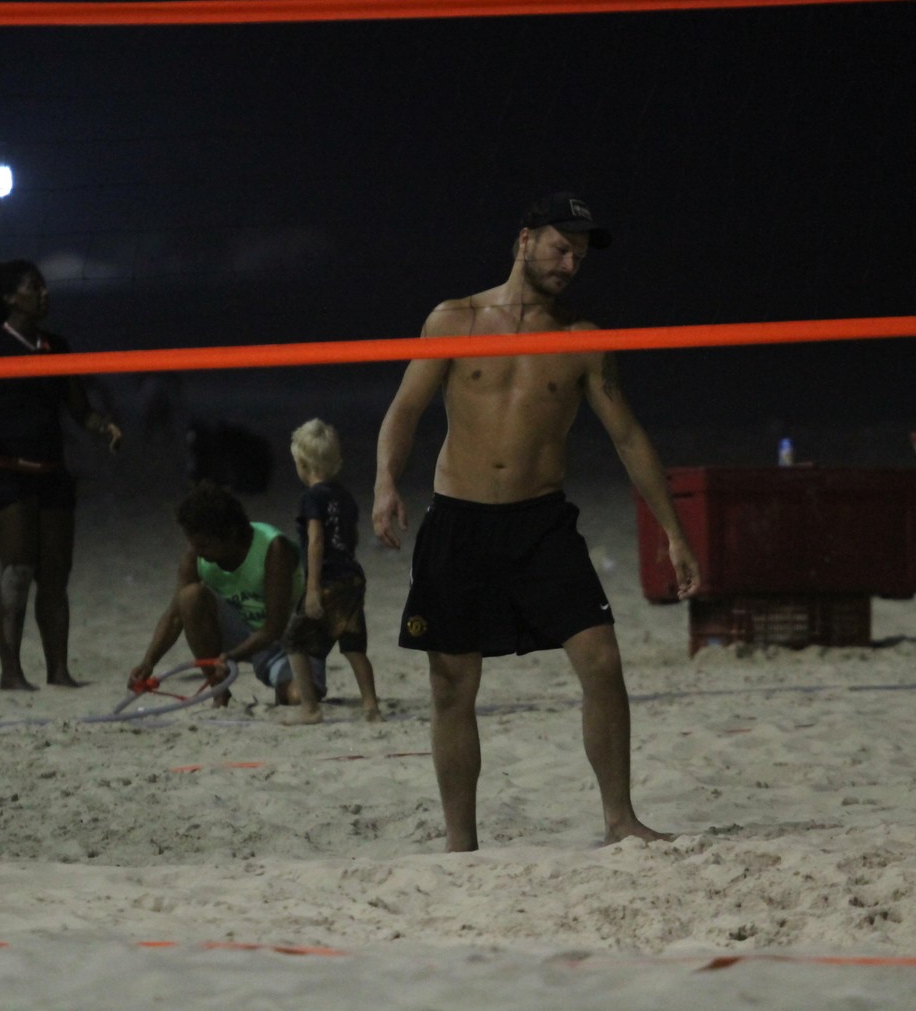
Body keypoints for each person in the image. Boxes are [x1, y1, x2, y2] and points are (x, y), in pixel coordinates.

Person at [372, 192, 701, 851]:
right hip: (459, 520)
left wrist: (673, 530)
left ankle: (619, 820)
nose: (569, 260)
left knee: (602, 661)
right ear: (523, 240)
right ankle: (460, 842)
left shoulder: (582, 339)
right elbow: (405, 408)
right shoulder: (455, 318)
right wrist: (384, 482)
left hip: (541, 525)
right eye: (559, 244)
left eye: (578, 252)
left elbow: (629, 437)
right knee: (451, 684)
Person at [0, 259, 122, 691]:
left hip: (51, 472)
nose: (45, 294)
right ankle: (12, 674)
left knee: (55, 578)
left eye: (44, 287)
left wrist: (104, 427)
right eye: (34, 287)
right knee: (17, 571)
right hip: (3, 470)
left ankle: (58, 672)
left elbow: (79, 410)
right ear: (10, 297)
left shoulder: (56, 347)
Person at [128, 481, 322, 707]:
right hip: (245, 633)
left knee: (298, 698)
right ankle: (219, 691)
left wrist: (232, 656)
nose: (196, 551)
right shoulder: (196, 556)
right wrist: (148, 662)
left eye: (203, 545)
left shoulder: (273, 548)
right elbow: (174, 616)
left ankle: (284, 683)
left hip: (289, 639)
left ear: (229, 533)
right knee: (189, 598)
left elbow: (274, 628)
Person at [279, 418, 382, 725]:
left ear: (301, 463)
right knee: (353, 645)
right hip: (352, 576)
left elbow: (316, 540)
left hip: (327, 579)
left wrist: (312, 589)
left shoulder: (311, 498)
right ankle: (371, 705)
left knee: (294, 641)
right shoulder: (345, 496)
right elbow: (351, 536)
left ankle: (309, 707)